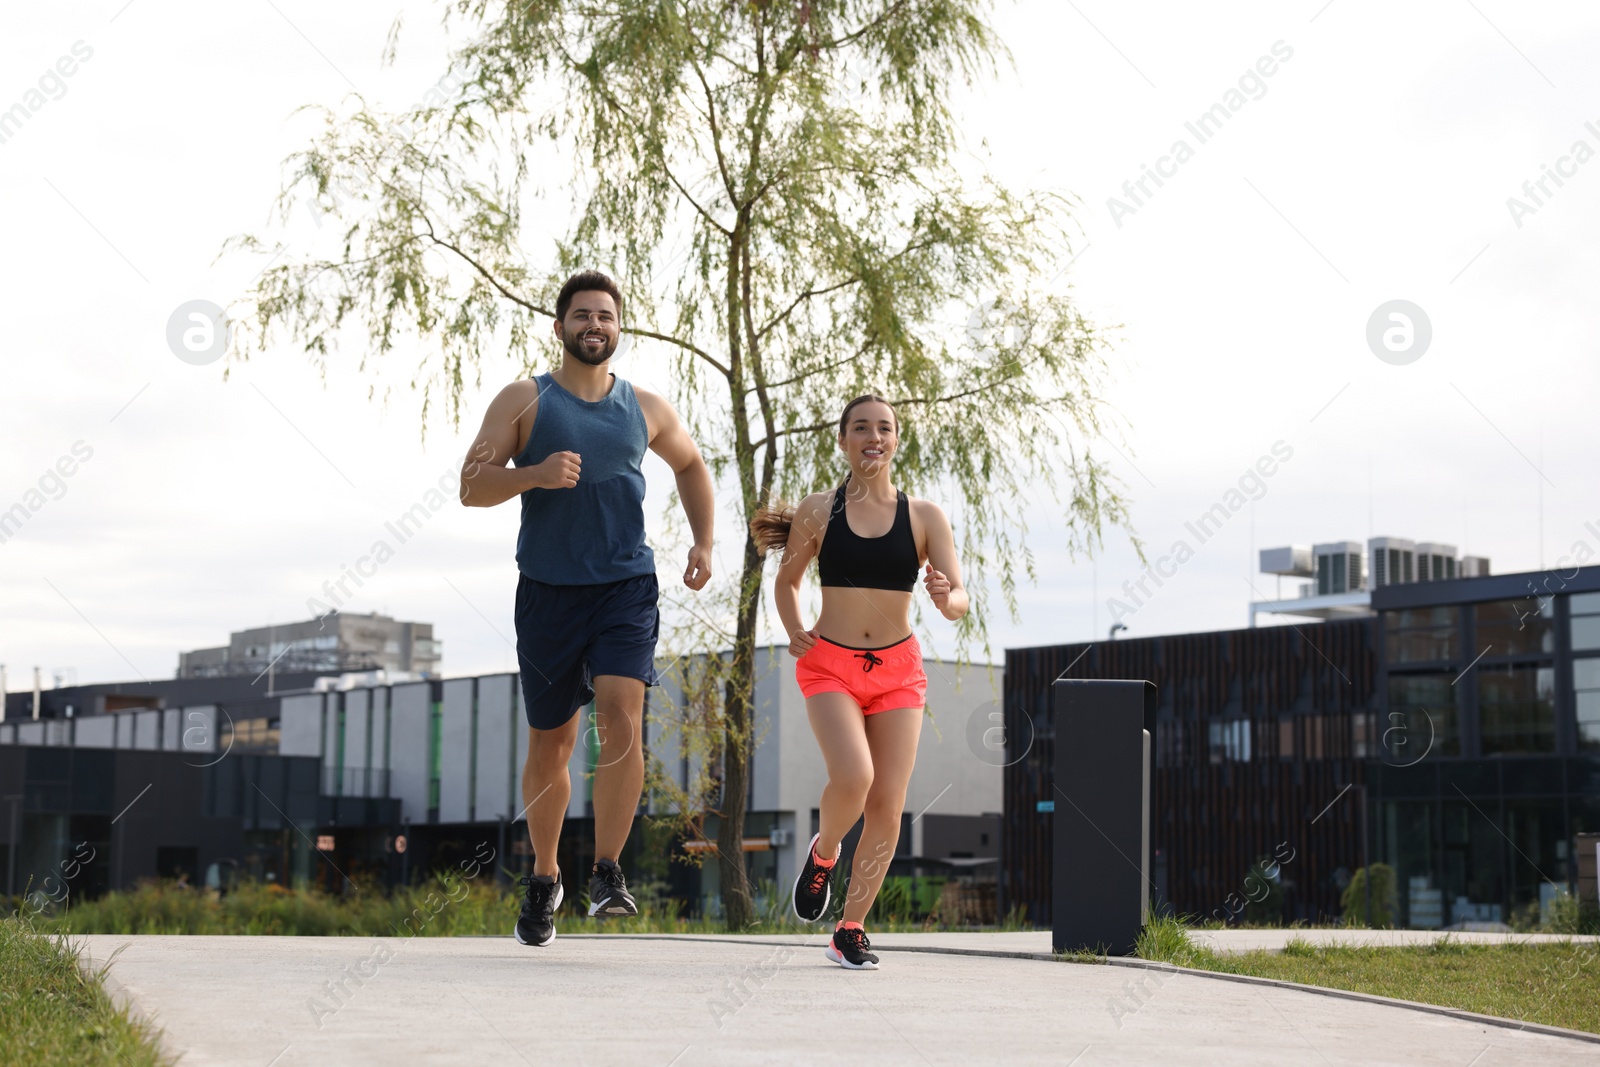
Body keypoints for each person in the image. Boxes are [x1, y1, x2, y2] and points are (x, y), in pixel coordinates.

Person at [461, 269, 714, 947]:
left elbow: (691, 466)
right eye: (582, 315)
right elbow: (471, 483)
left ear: (618, 327)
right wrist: (534, 475)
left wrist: (704, 542)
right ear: (560, 326)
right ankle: (546, 876)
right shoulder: (525, 399)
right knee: (554, 742)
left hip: (625, 587)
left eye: (605, 315)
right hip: (547, 592)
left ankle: (607, 869)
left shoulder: (646, 407)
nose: (594, 325)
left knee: (621, 715)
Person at [751, 395, 968, 969]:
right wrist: (795, 627)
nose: (874, 436)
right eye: (862, 428)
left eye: (885, 428)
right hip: (830, 663)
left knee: (887, 804)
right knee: (854, 777)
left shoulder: (924, 517)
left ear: (897, 440)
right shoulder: (819, 510)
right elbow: (788, 581)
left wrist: (949, 598)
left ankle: (850, 927)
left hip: (898, 672)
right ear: (844, 440)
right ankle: (824, 854)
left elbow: (960, 600)